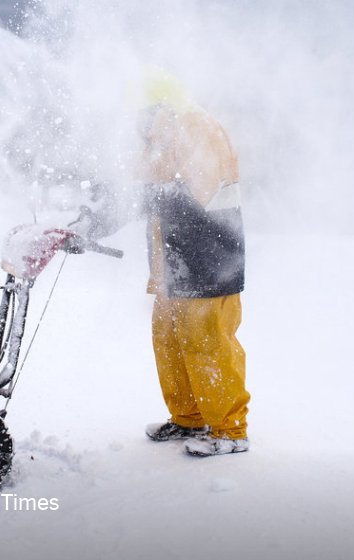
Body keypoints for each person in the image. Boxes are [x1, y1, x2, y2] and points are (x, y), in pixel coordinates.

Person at [80, 71, 250, 456]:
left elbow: (189, 195)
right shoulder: (162, 140)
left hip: (210, 261)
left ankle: (230, 431)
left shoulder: (199, 130)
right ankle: (189, 417)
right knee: (170, 341)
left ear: (161, 109)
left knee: (209, 345)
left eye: (142, 116)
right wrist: (94, 220)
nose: (137, 126)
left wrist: (134, 201)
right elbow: (138, 191)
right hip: (173, 264)